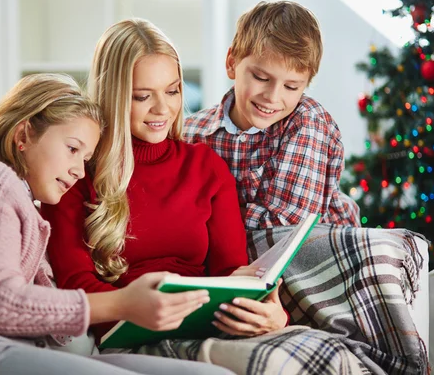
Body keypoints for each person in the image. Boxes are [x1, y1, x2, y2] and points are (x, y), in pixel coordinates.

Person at [0, 73, 234, 375]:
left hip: (26, 350)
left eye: (86, 159)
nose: (79, 171)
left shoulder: (20, 204)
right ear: (23, 134)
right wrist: (124, 303)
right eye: (72, 149)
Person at [43, 19, 289, 345]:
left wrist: (268, 311)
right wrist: (137, 310)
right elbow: (77, 285)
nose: (163, 108)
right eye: (143, 96)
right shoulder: (76, 172)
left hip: (208, 328)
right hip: (129, 335)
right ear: (113, 96)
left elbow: (230, 271)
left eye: (172, 91)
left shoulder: (206, 167)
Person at [184, 0, 361, 232]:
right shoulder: (190, 132)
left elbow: (287, 227)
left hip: (323, 251)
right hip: (238, 259)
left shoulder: (307, 122)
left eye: (291, 87)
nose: (272, 96)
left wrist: (204, 214)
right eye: (261, 78)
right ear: (231, 63)